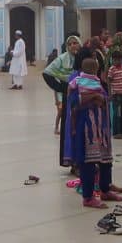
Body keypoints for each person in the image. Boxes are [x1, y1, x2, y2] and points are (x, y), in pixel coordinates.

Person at [69, 58, 112, 208]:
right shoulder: (77, 83)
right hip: (86, 128)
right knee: (88, 163)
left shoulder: (97, 82)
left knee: (106, 160)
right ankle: (88, 197)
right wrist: (94, 97)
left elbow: (106, 98)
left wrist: (102, 99)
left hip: (101, 127)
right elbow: (74, 102)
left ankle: (105, 189)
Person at [45, 35, 82, 165]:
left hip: (83, 97)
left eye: (75, 43)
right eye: (70, 44)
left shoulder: (83, 58)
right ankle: (70, 160)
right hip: (69, 97)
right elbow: (47, 72)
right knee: (69, 127)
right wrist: (61, 87)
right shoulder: (62, 59)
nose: (73, 46)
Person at [107, 52, 122, 138]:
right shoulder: (112, 69)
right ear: (112, 60)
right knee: (117, 114)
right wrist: (110, 93)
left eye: (119, 60)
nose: (117, 61)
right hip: (116, 95)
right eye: (115, 60)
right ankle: (117, 133)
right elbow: (109, 81)